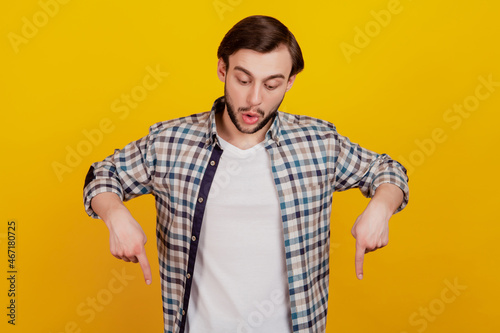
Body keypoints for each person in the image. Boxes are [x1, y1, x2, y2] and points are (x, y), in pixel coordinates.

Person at [83, 15, 409, 333]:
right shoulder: (170, 143)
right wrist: (115, 214)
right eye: (243, 80)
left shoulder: (318, 143)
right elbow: (102, 175)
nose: (255, 99)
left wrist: (381, 207)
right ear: (222, 69)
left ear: (290, 81)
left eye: (271, 84)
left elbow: (389, 171)